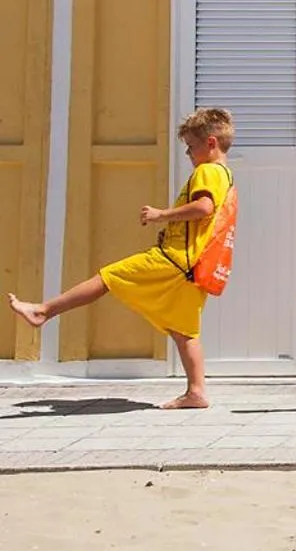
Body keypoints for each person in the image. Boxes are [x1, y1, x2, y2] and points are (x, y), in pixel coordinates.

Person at [8, 107, 236, 409]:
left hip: (174, 261)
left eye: (191, 147)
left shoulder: (207, 171)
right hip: (191, 268)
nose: (188, 154)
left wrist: (161, 215)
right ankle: (196, 392)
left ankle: (43, 312)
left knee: (107, 277)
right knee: (185, 331)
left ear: (210, 143)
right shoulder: (225, 174)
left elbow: (204, 208)